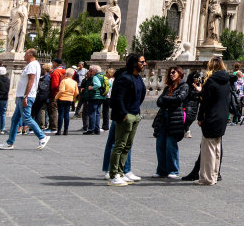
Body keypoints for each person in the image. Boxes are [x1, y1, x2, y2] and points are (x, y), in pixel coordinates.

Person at [107, 54, 146, 186]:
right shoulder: (124, 78)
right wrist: (124, 113)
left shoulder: (138, 78)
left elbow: (141, 95)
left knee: (127, 145)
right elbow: (118, 98)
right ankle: (113, 174)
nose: (144, 64)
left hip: (135, 114)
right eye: (142, 62)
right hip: (126, 115)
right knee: (119, 145)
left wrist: (137, 112)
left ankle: (121, 171)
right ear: (134, 63)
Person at [0, 49, 49, 150]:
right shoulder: (32, 64)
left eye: (25, 53)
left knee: (27, 118)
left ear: (30, 55)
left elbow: (31, 81)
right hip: (22, 95)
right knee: (15, 119)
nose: (24, 55)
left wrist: (25, 96)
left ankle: (42, 136)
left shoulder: (32, 65)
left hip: (26, 96)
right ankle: (10, 142)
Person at [196, 57, 234, 185]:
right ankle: (214, 174)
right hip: (223, 116)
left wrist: (200, 117)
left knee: (208, 150)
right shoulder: (227, 81)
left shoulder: (211, 82)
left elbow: (205, 102)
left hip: (211, 117)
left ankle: (207, 178)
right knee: (217, 148)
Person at [152, 65, 191, 179]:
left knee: (171, 145)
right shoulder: (167, 88)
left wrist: (166, 100)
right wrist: (168, 100)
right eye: (170, 73)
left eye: (174, 72)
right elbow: (159, 102)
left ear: (179, 73)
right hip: (163, 117)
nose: (171, 74)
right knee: (160, 145)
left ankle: (173, 170)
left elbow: (179, 99)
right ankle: (161, 170)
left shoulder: (184, 86)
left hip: (175, 118)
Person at [81, 65, 105, 134]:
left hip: (94, 96)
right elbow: (109, 84)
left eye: (91, 71)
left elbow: (98, 85)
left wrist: (92, 88)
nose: (90, 72)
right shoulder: (103, 76)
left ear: (94, 71)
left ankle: (91, 129)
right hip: (101, 97)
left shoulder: (95, 77)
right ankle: (97, 129)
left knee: (92, 113)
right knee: (97, 113)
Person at [55, 67, 77, 135]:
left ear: (66, 74)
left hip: (62, 98)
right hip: (69, 99)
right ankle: (66, 130)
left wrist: (56, 97)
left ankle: (59, 130)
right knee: (66, 114)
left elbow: (62, 90)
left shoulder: (64, 81)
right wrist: (73, 97)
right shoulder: (74, 82)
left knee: (61, 114)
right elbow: (76, 92)